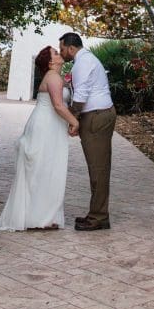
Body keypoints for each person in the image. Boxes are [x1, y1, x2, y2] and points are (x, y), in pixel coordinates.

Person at [0, 45, 79, 231]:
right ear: (51, 62)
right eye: (56, 54)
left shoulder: (55, 78)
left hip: (51, 126)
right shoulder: (53, 78)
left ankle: (44, 216)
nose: (60, 54)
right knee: (44, 171)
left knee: (46, 170)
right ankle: (40, 218)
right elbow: (58, 105)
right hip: (46, 127)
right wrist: (75, 122)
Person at [59, 32, 116, 231]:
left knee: (98, 168)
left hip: (97, 117)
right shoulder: (86, 59)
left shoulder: (82, 63)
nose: (61, 52)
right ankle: (97, 214)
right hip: (99, 114)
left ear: (70, 47)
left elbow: (81, 95)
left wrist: (73, 119)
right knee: (98, 167)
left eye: (62, 48)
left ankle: (98, 217)